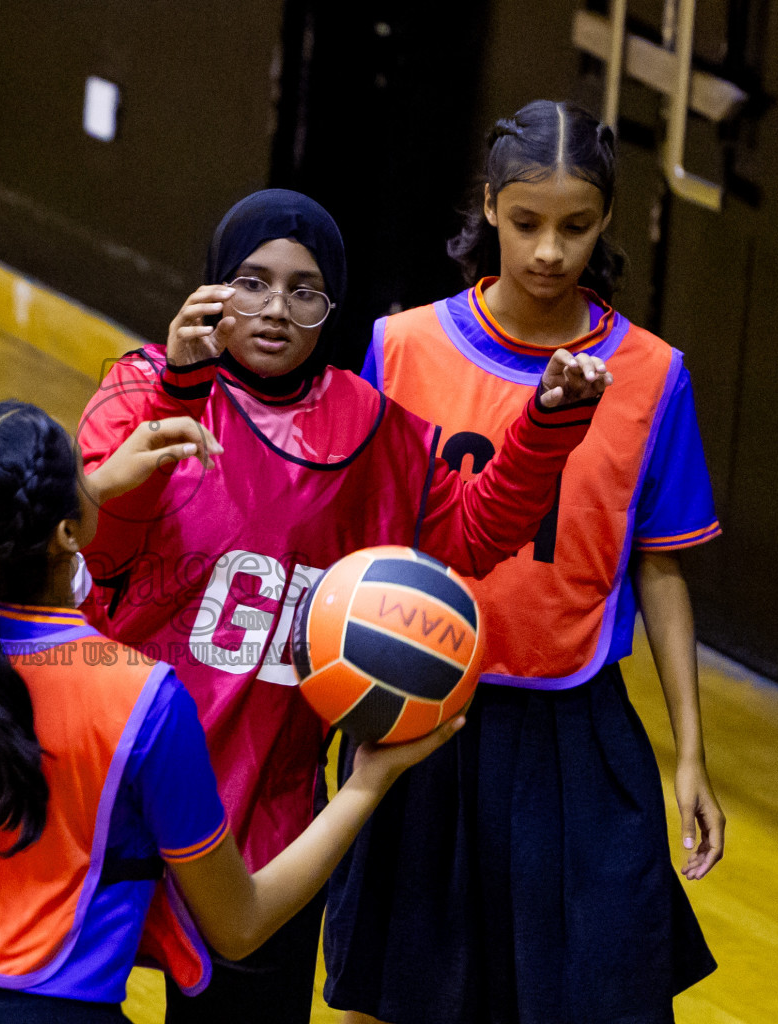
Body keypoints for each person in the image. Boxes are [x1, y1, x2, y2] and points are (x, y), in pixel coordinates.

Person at [74, 188, 614, 1023]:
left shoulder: (374, 430)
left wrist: (547, 425)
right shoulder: (141, 385)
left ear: (333, 308)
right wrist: (179, 392)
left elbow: (471, 536)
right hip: (117, 771)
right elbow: (101, 549)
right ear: (212, 287)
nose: (276, 309)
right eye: (251, 283)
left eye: (305, 289)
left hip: (267, 797)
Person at [0, 400, 462, 1023]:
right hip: (46, 1008)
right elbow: (238, 925)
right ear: (65, 531)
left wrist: (85, 491)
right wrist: (367, 782)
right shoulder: (138, 697)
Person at [325, 99, 725, 1024]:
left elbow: (660, 572)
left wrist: (692, 758)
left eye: (576, 227)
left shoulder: (654, 375)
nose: (550, 250)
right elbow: (361, 538)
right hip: (421, 709)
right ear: (491, 210)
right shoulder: (403, 346)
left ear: (607, 224)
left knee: (600, 986)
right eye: (528, 223)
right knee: (400, 990)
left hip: (572, 721)